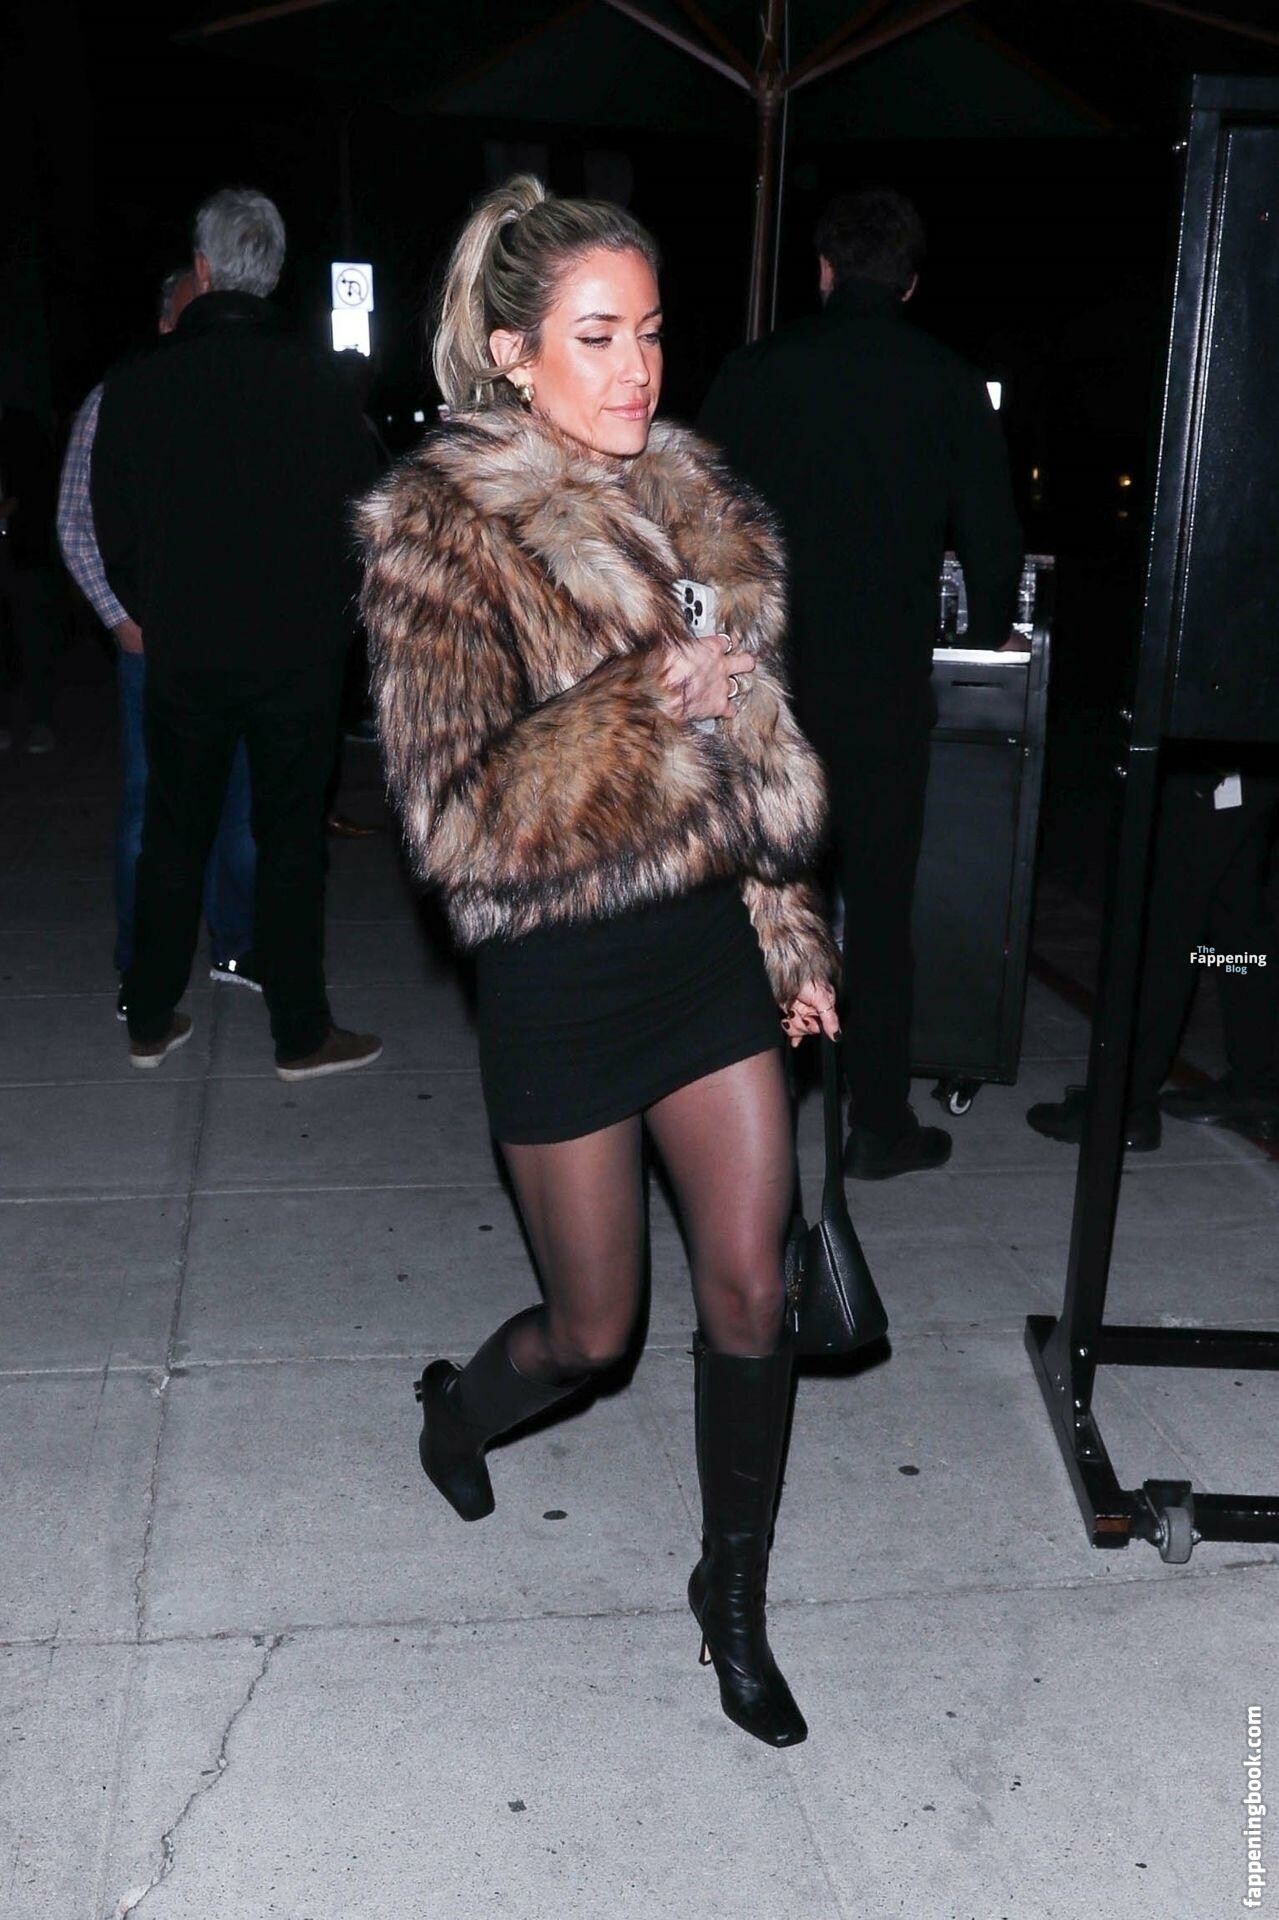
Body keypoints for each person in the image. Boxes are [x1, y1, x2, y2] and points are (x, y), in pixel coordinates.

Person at [359, 176, 839, 1747]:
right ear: (510, 352)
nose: (635, 367)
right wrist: (640, 705)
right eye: (594, 335)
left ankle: (732, 1599)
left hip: (701, 952)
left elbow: (753, 762)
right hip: (560, 976)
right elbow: (455, 819)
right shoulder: (441, 528)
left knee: (753, 1286)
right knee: (593, 1332)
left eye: (648, 331)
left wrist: (786, 931)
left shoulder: (692, 502)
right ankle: (458, 1411)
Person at [699, 189, 1023, 1179]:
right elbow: (992, 535)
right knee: (879, 912)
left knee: (758, 898)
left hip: (766, 685)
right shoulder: (948, 382)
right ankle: (878, 1120)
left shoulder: (756, 372)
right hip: (882, 687)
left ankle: (729, 1116)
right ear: (910, 283)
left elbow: (695, 517)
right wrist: (983, 624)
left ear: (824, 271)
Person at [91, 187, 382, 1078]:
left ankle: (148, 1016)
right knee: (289, 839)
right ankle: (300, 1032)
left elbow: (111, 522)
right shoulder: (322, 382)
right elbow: (368, 519)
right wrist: (331, 617)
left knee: (174, 830)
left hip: (186, 647)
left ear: (204, 268)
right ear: (276, 273)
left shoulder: (139, 384)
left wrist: (155, 606)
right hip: (296, 653)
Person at [57, 266, 259, 1016]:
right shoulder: (119, 397)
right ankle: (142, 965)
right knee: (152, 810)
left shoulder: (245, 397)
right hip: (157, 646)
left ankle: (237, 944)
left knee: (241, 807)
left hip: (239, 643)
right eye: (190, 315)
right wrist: (120, 618)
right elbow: (74, 517)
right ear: (166, 324)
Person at [1028, 750, 1279, 1149]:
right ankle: (1257, 1084)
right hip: (1249, 752)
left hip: (1211, 753)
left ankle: (1125, 1103)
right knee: (1236, 921)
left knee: (1164, 928)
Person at [0, 399, 60, 753]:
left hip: (24, 550)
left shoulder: (23, 427)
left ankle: (41, 721)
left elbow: (40, 486)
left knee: (32, 636)